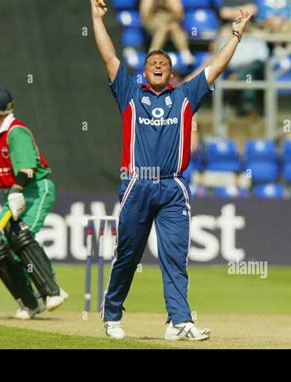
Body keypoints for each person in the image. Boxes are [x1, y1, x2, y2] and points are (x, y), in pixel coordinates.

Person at [91, 0, 251, 340]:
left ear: (172, 71)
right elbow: (109, 57)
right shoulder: (130, 94)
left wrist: (236, 35)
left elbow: (216, 68)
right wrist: (96, 19)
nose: (158, 66)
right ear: (145, 72)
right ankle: (113, 315)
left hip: (173, 187)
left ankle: (179, 320)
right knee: (128, 256)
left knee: (175, 256)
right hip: (138, 184)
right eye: (153, 63)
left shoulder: (185, 96)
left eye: (164, 62)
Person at [0, 85, 68, 319]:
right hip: (13, 192)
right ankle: (30, 300)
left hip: (35, 190)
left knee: (20, 236)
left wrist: (16, 192)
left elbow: (27, 168)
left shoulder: (17, 132)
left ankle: (52, 289)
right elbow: (1, 173)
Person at [140, 0, 195, 65]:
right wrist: (153, 6)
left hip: (171, 22)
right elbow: (144, 18)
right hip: (154, 22)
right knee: (163, 28)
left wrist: (168, 5)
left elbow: (180, 17)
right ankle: (152, 54)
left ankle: (186, 54)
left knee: (174, 26)